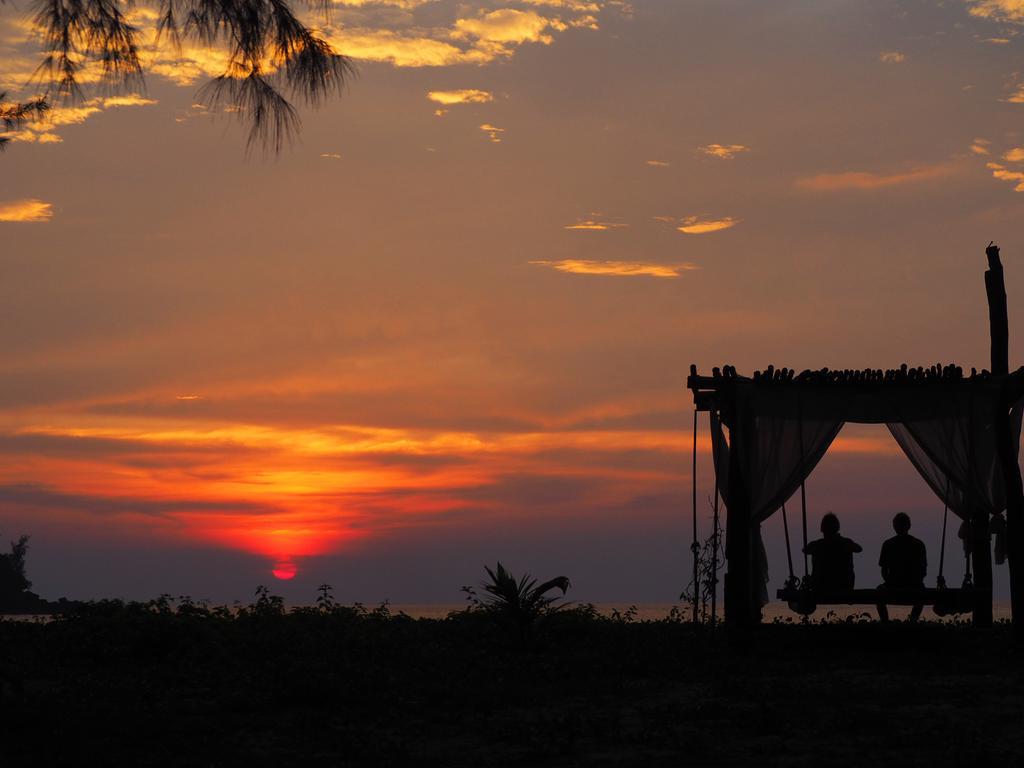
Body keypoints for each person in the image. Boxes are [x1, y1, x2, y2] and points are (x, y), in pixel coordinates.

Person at [877, 512, 927, 622]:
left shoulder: (888, 544)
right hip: (914, 585)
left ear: (894, 526)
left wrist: (890, 582)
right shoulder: (919, 544)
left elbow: (884, 571)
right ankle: (913, 620)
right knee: (922, 593)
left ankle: (885, 621)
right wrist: (915, 581)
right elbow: (923, 571)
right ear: (909, 526)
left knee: (878, 592)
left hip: (893, 584)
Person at [803, 513, 862, 592]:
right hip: (845, 587)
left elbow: (805, 550)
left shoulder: (817, 545)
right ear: (837, 528)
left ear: (822, 529)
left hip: (821, 587)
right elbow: (859, 549)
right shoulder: (846, 543)